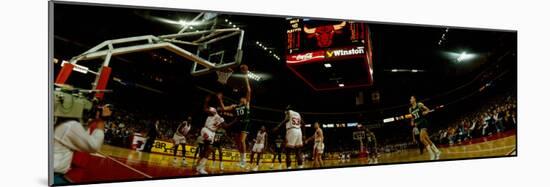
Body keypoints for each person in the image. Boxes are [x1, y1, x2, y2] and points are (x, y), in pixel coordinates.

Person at [53, 104, 113, 185]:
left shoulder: (58, 119)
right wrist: (102, 120)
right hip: (55, 174)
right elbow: (94, 146)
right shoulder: (70, 124)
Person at [216, 64, 253, 168]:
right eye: (242, 98)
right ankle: (241, 160)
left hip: (245, 123)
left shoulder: (247, 104)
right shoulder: (235, 106)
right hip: (238, 124)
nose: (243, 98)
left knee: (242, 140)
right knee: (237, 143)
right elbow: (223, 109)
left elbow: (249, 90)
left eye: (244, 98)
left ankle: (244, 160)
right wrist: (220, 100)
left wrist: (246, 76)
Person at [195, 107, 236, 174]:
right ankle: (201, 167)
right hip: (207, 130)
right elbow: (206, 110)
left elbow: (226, 126)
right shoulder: (213, 113)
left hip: (212, 133)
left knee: (206, 149)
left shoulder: (221, 118)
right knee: (209, 149)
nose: (220, 110)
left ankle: (198, 167)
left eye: (221, 110)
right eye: (218, 109)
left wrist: (234, 121)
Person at [409, 96, 441, 160]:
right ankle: (437, 152)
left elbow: (427, 110)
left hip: (423, 122)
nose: (410, 100)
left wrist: (425, 112)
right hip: (418, 125)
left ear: (414, 99)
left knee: (421, 139)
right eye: (410, 99)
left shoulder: (419, 104)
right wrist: (412, 122)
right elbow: (412, 117)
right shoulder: (410, 109)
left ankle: (432, 154)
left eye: (411, 98)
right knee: (427, 139)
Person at [274, 105, 304, 169]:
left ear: (289, 109)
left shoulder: (289, 112)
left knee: (288, 152)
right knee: (298, 151)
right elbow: (303, 123)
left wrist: (278, 126)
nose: (285, 110)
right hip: (299, 131)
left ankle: (289, 168)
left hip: (292, 130)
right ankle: (300, 167)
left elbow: (286, 119)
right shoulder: (298, 114)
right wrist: (304, 135)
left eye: (286, 108)